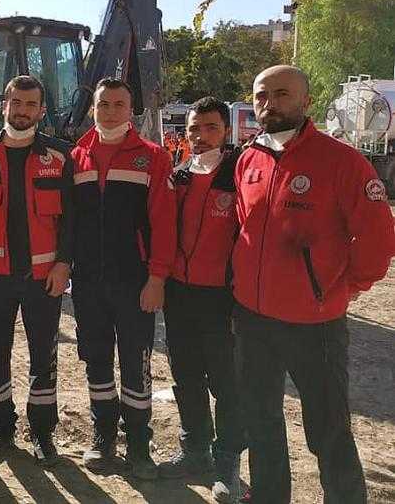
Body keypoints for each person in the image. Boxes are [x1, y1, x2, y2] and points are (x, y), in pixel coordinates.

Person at [232, 65, 395, 504]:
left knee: (327, 426)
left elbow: (378, 241)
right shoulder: (249, 158)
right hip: (252, 318)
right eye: (261, 95)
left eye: (281, 94)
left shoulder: (341, 161)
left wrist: (339, 290)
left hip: (315, 324)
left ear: (305, 101)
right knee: (261, 418)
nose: (269, 104)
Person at [0, 75, 74, 467]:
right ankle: (1, 428)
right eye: (16, 103)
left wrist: (64, 264)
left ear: (41, 110)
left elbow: (72, 219)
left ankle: (43, 433)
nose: (22, 111)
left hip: (44, 278)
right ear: (3, 105)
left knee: (44, 356)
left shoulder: (59, 156)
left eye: (30, 104)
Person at [69, 78, 175, 478]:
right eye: (103, 104)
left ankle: (138, 445)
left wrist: (157, 278)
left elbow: (164, 225)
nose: (111, 111)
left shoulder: (152, 158)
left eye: (118, 104)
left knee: (136, 363)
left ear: (131, 109)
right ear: (93, 108)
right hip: (89, 283)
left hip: (135, 282)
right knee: (96, 360)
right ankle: (103, 436)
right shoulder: (77, 157)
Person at [157, 97, 244, 502]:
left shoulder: (240, 174)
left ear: (225, 131)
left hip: (222, 297)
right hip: (180, 293)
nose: (200, 136)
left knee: (226, 383)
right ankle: (194, 451)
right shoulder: (180, 176)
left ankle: (226, 461)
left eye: (209, 127)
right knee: (186, 375)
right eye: (194, 128)